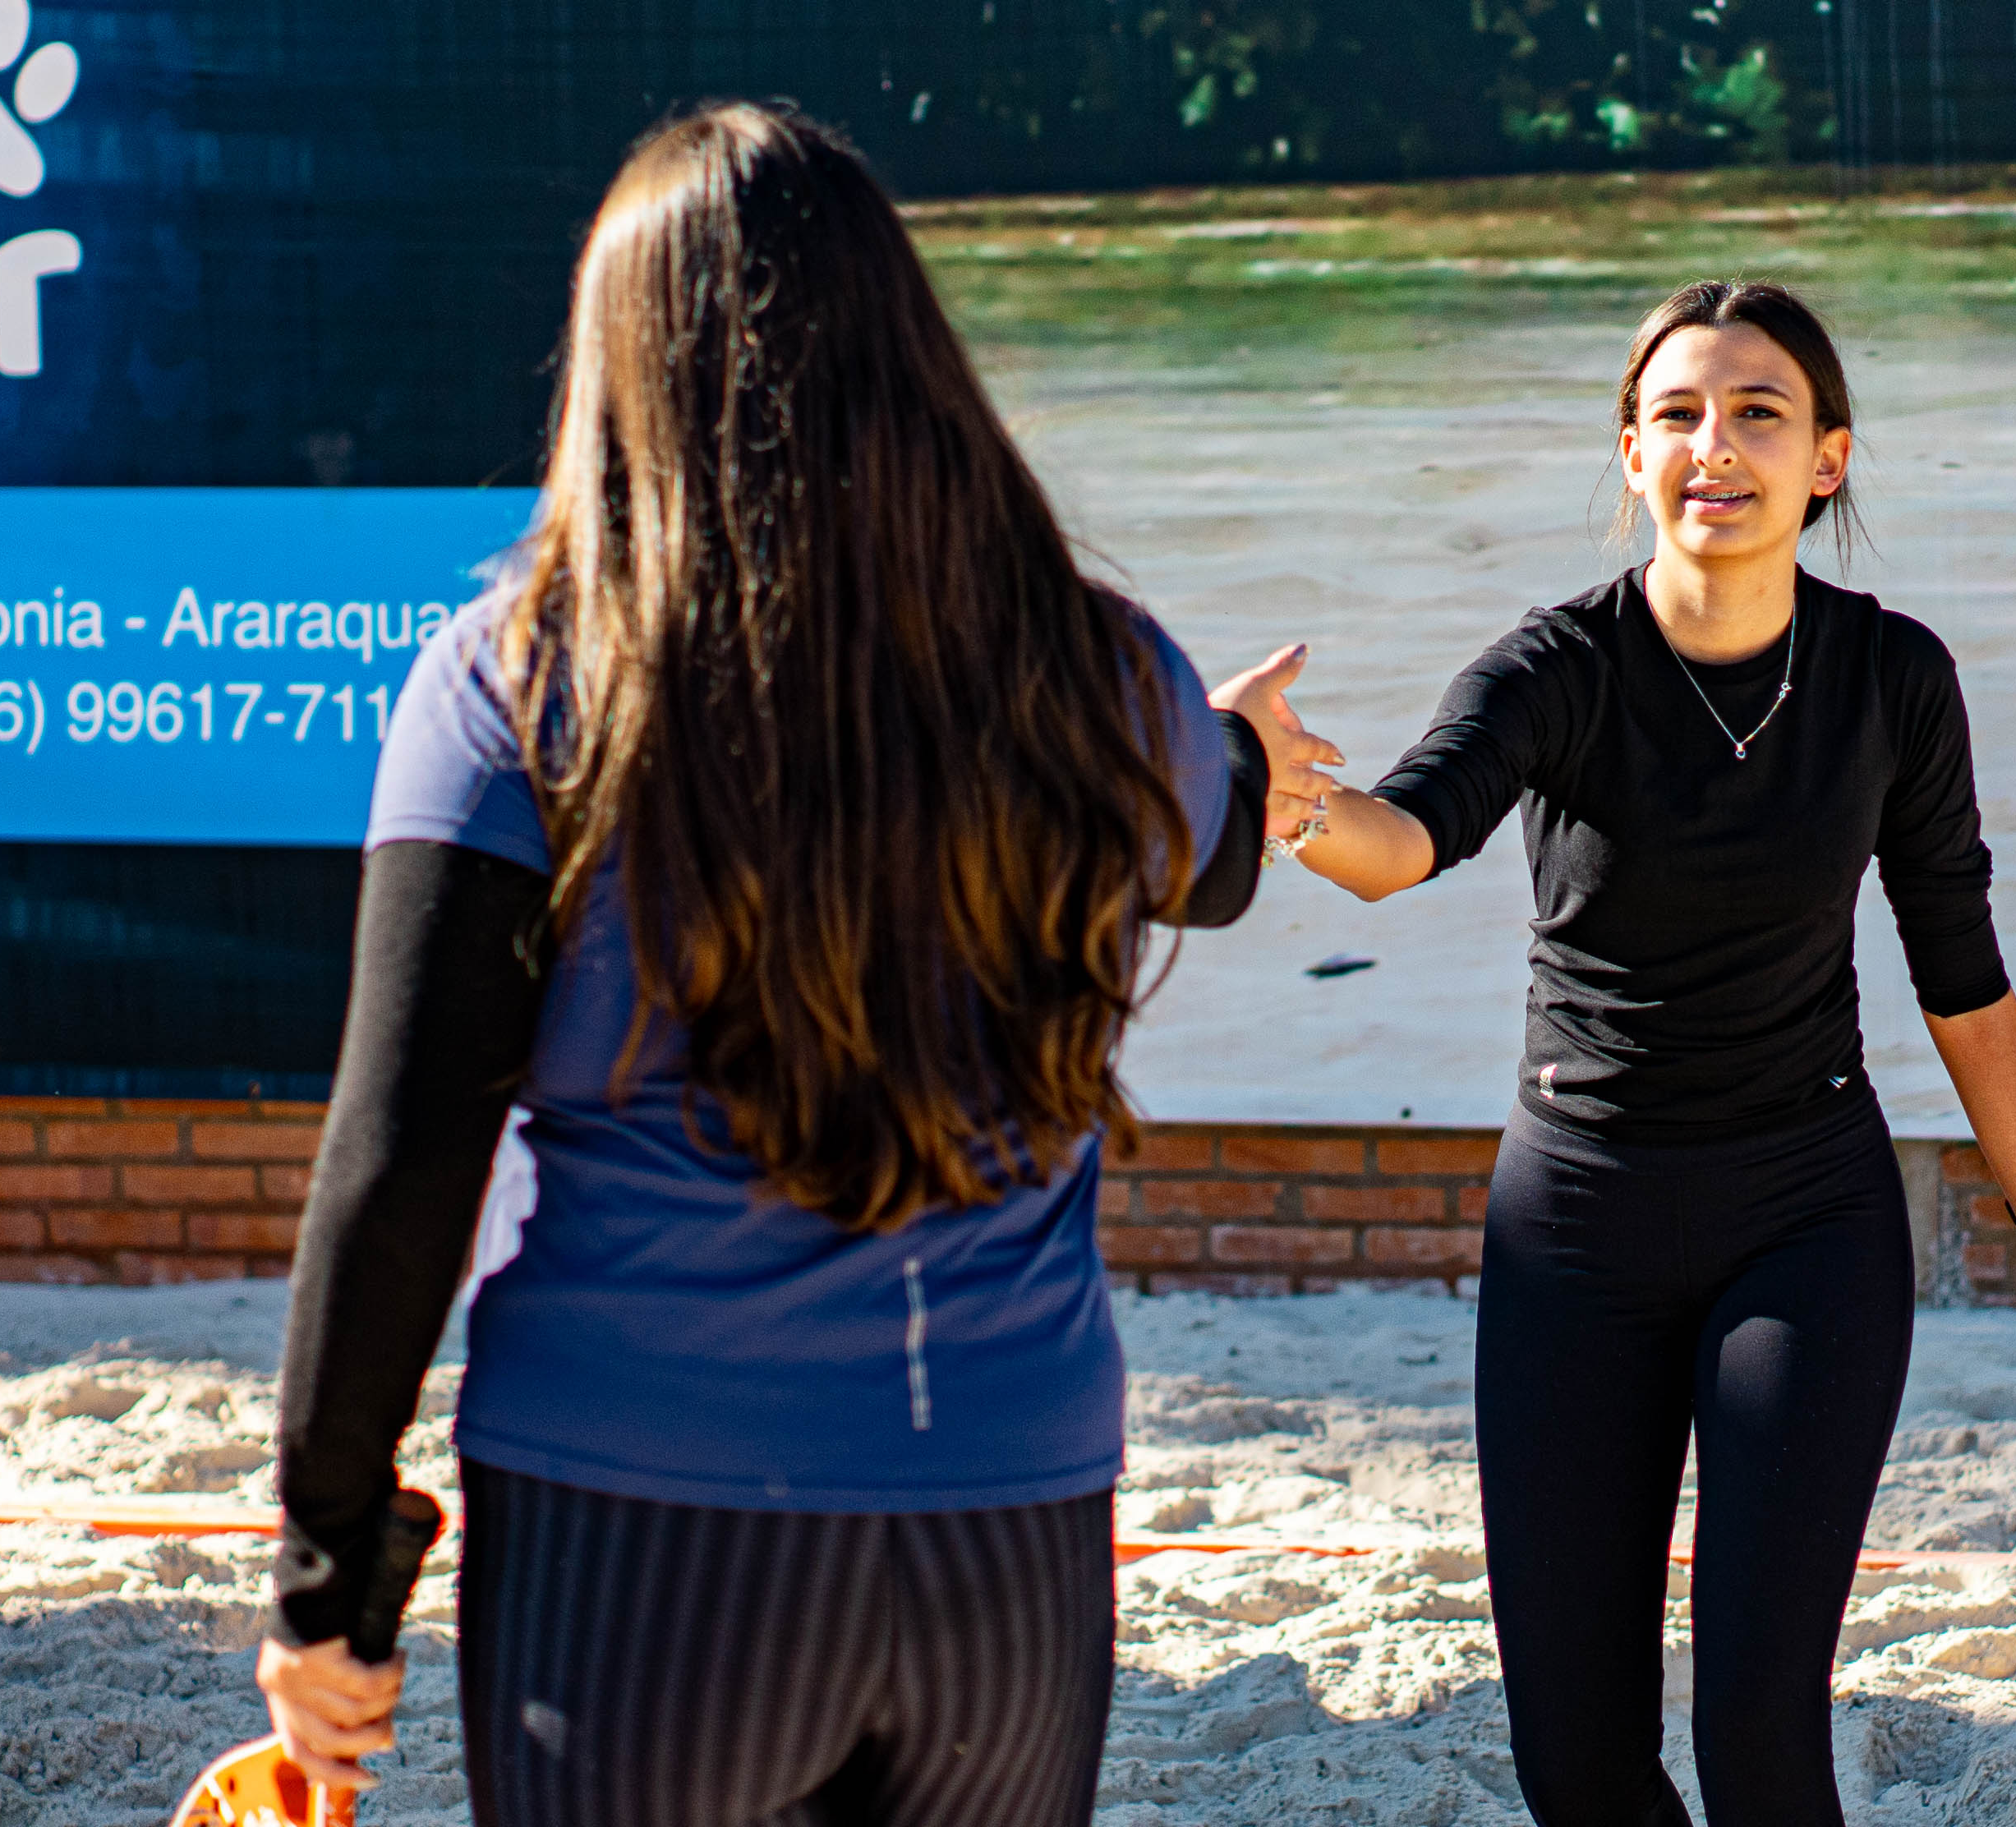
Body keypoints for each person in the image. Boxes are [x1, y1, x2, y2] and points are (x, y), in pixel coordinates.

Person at [252, 103, 1339, 1827]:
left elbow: (399, 1161)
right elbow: (1207, 860)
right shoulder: (1108, 677)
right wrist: (1232, 751)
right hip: (1009, 1529)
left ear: (623, 361)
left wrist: (328, 1571)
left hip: (649, 1530)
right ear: (913, 349)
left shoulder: (522, 671)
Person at [1262, 278, 2016, 1827]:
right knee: (1578, 1762)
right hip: (1577, 1226)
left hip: (1802, 1216)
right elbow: (1403, 840)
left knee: (1756, 1737)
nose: (1712, 446)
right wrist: (1273, 795)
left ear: (1827, 460)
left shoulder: (1893, 682)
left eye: (1758, 413)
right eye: (1676, 414)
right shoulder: (1558, 667)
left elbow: (1967, 995)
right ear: (1628, 454)